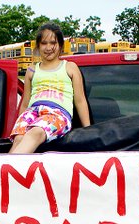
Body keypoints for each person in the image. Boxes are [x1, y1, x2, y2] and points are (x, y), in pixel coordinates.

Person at [9, 22, 91, 154]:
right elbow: (25, 103)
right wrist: (20, 122)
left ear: (60, 46)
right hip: (32, 111)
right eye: (44, 43)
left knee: (35, 133)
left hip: (57, 113)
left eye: (53, 43)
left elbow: (80, 101)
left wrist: (88, 131)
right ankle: (3, 172)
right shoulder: (32, 70)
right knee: (19, 138)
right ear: (38, 46)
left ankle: (10, 169)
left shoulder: (70, 67)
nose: (48, 47)